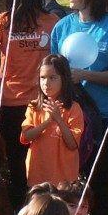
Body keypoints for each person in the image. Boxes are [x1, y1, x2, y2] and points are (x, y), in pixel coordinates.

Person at [51, 0, 108, 215]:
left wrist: (86, 75)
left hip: (106, 117)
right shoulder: (62, 27)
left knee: (103, 182)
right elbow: (51, 73)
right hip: (70, 118)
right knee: (68, 184)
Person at [0, 0, 58, 207]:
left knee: (16, 163)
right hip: (42, 101)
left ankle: (19, 214)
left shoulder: (0, 21)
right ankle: (40, 212)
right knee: (41, 164)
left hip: (12, 101)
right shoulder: (51, 21)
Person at [20, 55, 84, 188]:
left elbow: (72, 144)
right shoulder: (34, 106)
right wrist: (47, 122)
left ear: (64, 79)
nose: (46, 83)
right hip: (38, 176)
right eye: (42, 77)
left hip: (64, 179)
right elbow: (26, 137)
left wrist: (59, 120)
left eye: (52, 78)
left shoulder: (73, 108)